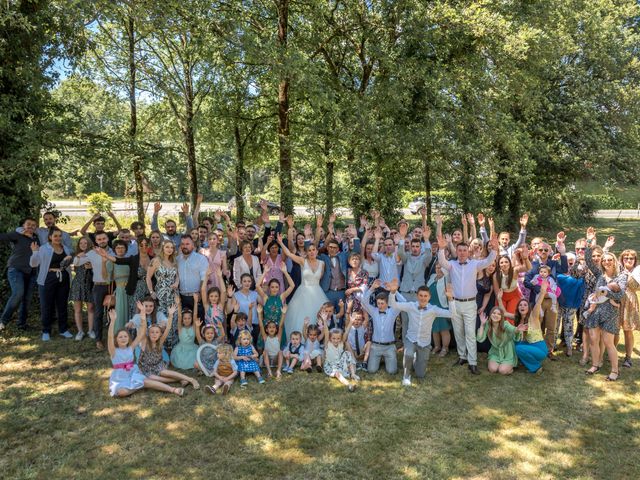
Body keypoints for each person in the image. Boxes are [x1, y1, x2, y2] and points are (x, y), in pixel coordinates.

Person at [437, 230, 499, 374]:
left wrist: (494, 249)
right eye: (460, 250)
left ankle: (473, 362)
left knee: (470, 333)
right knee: (458, 332)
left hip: (470, 303)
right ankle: (462, 356)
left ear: (468, 251)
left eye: (465, 250)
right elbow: (442, 262)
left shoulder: (475, 264)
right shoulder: (452, 264)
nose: (463, 252)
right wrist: (441, 248)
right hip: (455, 303)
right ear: (457, 251)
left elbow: (489, 261)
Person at [388, 278, 455, 385]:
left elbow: (452, 314)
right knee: (408, 353)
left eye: (425, 296)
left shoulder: (433, 309)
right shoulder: (411, 306)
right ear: (417, 296)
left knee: (420, 374)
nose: (423, 298)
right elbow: (393, 304)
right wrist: (392, 292)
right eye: (421, 295)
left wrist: (451, 298)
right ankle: (406, 375)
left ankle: (416, 360)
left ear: (429, 297)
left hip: (424, 343)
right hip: (411, 339)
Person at [107, 308, 183, 397]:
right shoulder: (113, 351)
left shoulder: (131, 348)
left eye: (125, 336)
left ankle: (173, 390)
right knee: (121, 392)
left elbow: (141, 333)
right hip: (120, 377)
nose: (123, 338)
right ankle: (139, 386)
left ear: (128, 339)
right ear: (116, 339)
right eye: (120, 337)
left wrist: (143, 317)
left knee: (145, 381)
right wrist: (112, 322)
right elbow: (110, 336)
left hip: (132, 372)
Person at [584, 249, 626, 381]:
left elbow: (621, 294)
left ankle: (615, 370)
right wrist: (590, 243)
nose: (606, 262)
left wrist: (605, 293)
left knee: (608, 342)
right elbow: (588, 261)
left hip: (610, 313)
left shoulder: (621, 276)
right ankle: (595, 365)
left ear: (614, 261)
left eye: (609, 259)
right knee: (593, 339)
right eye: (604, 260)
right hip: (595, 311)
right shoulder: (599, 275)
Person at [524, 233, 569, 358]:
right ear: (536, 251)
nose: (543, 252)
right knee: (537, 325)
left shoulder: (553, 264)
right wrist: (538, 288)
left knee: (551, 326)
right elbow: (526, 281)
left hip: (552, 300)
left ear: (549, 251)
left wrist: (563, 253)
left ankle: (549, 350)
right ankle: (537, 348)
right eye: (541, 250)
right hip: (538, 299)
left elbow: (565, 269)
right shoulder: (532, 265)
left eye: (545, 250)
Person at [137, 301, 199, 390]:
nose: (154, 334)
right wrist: (143, 312)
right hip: (146, 368)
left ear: (160, 334)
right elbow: (143, 327)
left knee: (164, 373)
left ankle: (190, 379)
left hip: (158, 365)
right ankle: (179, 380)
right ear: (148, 334)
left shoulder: (160, 342)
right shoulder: (145, 342)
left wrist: (170, 315)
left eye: (157, 332)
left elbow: (168, 328)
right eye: (152, 332)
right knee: (152, 378)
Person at [278, 234, 330, 338]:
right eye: (309, 250)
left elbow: (321, 277)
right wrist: (280, 242)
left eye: (313, 250)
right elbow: (288, 254)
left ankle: (317, 340)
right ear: (306, 252)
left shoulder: (322, 263)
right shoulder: (303, 261)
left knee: (318, 318)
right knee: (301, 318)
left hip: (317, 293)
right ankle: (299, 340)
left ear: (317, 251)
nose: (311, 252)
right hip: (303, 292)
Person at [29, 227, 74, 341]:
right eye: (55, 236)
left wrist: (71, 259)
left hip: (63, 278)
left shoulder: (66, 249)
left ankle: (63, 329)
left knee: (62, 305)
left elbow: (69, 263)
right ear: (50, 237)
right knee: (46, 305)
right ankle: (46, 330)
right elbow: (34, 264)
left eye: (60, 236)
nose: (58, 238)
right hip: (47, 278)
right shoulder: (44, 248)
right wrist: (34, 252)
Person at [72, 231, 113, 349]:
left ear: (107, 239)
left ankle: (115, 336)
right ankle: (99, 339)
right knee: (98, 313)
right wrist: (77, 257)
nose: (102, 241)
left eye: (104, 238)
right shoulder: (91, 253)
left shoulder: (114, 251)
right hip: (99, 286)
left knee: (114, 312)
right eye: (99, 239)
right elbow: (77, 263)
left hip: (113, 285)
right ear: (96, 241)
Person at [0, 217, 40, 331]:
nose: (31, 226)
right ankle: (3, 320)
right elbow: (3, 237)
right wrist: (19, 231)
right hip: (16, 269)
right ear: (23, 225)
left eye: (33, 225)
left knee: (26, 299)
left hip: (31, 272)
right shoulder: (17, 235)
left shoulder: (36, 239)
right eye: (28, 224)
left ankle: (22, 324)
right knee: (18, 293)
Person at [397, 222, 433, 342]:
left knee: (417, 319)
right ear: (411, 247)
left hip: (418, 295)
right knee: (405, 320)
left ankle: (417, 342)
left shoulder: (424, 259)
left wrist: (426, 239)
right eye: (413, 246)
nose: (415, 248)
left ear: (420, 247)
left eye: (417, 246)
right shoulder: (406, 257)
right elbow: (400, 252)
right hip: (405, 293)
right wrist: (402, 237)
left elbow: (429, 255)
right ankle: (405, 343)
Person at [361, 279, 404, 375]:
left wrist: (394, 291)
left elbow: (403, 302)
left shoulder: (393, 311)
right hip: (376, 346)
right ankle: (378, 359)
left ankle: (386, 359)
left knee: (392, 371)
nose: (380, 306)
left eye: (382, 303)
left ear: (387, 303)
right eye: (378, 303)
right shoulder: (374, 311)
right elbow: (364, 302)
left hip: (389, 346)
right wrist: (372, 288)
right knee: (371, 370)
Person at [146, 240, 180, 348]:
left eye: (171, 247)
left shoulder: (174, 261)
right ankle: (162, 345)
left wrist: (176, 282)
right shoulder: (156, 260)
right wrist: (151, 292)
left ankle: (173, 344)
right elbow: (148, 277)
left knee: (174, 317)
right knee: (163, 319)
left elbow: (177, 276)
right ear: (163, 248)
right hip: (161, 294)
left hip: (173, 294)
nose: (169, 249)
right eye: (167, 247)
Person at [477, 307, 527, 375]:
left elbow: (512, 329)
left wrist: (517, 329)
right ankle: (500, 363)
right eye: (494, 313)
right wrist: (482, 324)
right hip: (495, 352)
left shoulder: (505, 324)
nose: (496, 315)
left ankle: (509, 368)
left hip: (507, 352)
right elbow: (480, 339)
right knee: (492, 369)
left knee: (502, 371)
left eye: (499, 314)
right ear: (491, 314)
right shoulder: (488, 325)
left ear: (501, 317)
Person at [256, 263, 295, 347]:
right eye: (272, 287)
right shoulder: (266, 297)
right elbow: (257, 286)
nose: (274, 289)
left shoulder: (281, 297)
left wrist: (285, 272)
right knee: (265, 348)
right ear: (269, 288)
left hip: (278, 327)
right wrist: (265, 272)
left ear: (279, 288)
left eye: (276, 287)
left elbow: (292, 286)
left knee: (278, 349)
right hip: (267, 327)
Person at [514, 284, 549, 374]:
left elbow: (538, 303)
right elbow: (504, 313)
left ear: (528, 308)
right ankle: (521, 361)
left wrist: (542, 292)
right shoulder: (519, 319)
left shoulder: (533, 317)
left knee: (518, 348)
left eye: (525, 305)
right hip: (531, 346)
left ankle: (536, 367)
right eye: (520, 305)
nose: (522, 307)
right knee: (515, 342)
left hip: (540, 349)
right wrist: (499, 299)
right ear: (518, 308)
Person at [176, 235, 208, 320]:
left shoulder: (201, 259)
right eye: (182, 244)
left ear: (193, 245)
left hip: (196, 297)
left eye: (187, 244)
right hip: (181, 297)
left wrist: (200, 294)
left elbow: (204, 278)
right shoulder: (177, 259)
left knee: (198, 322)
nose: (185, 246)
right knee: (184, 325)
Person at [321, 319, 358, 392]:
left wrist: (351, 322)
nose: (336, 340)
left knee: (347, 353)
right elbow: (326, 332)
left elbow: (346, 333)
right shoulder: (327, 344)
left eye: (338, 338)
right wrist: (324, 321)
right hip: (331, 365)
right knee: (337, 373)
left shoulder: (341, 343)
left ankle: (353, 374)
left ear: (340, 339)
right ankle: (349, 385)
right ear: (330, 338)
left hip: (340, 363)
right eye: (333, 338)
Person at [70, 236, 95, 341]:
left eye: (85, 243)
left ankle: (91, 330)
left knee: (90, 308)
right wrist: (79, 257)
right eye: (81, 243)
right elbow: (75, 264)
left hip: (90, 283)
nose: (83, 245)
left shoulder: (94, 254)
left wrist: (92, 266)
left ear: (89, 244)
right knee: (78, 309)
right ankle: (80, 331)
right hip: (78, 283)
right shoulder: (77, 255)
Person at [619, 249, 640, 368]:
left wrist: (629, 274)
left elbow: (637, 287)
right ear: (622, 259)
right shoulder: (618, 269)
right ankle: (611, 353)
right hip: (616, 301)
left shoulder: (637, 272)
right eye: (626, 258)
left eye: (631, 258)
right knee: (613, 330)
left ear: (635, 260)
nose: (628, 260)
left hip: (630, 301)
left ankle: (628, 357)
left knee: (628, 331)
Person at [427, 264, 452, 357]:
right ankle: (437, 346)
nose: (439, 269)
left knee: (443, 329)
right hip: (431, 306)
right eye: (437, 267)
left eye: (441, 267)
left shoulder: (446, 278)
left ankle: (445, 348)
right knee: (434, 329)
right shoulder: (432, 277)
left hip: (442, 306)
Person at [170, 295, 200, 370]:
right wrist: (178, 304)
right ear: (182, 320)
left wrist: (196, 302)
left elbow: (195, 315)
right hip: (181, 349)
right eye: (185, 318)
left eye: (189, 318)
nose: (187, 320)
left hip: (192, 348)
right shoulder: (180, 328)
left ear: (191, 319)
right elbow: (179, 316)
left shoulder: (194, 327)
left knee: (195, 359)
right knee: (181, 360)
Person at [257, 304, 285, 378]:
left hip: (276, 358)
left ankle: (278, 370)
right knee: (265, 351)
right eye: (269, 327)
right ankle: (269, 371)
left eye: (273, 327)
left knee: (281, 352)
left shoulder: (278, 337)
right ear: (266, 329)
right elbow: (261, 326)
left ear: (276, 329)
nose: (272, 329)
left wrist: (283, 313)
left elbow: (281, 325)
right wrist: (259, 314)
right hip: (267, 358)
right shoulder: (265, 337)